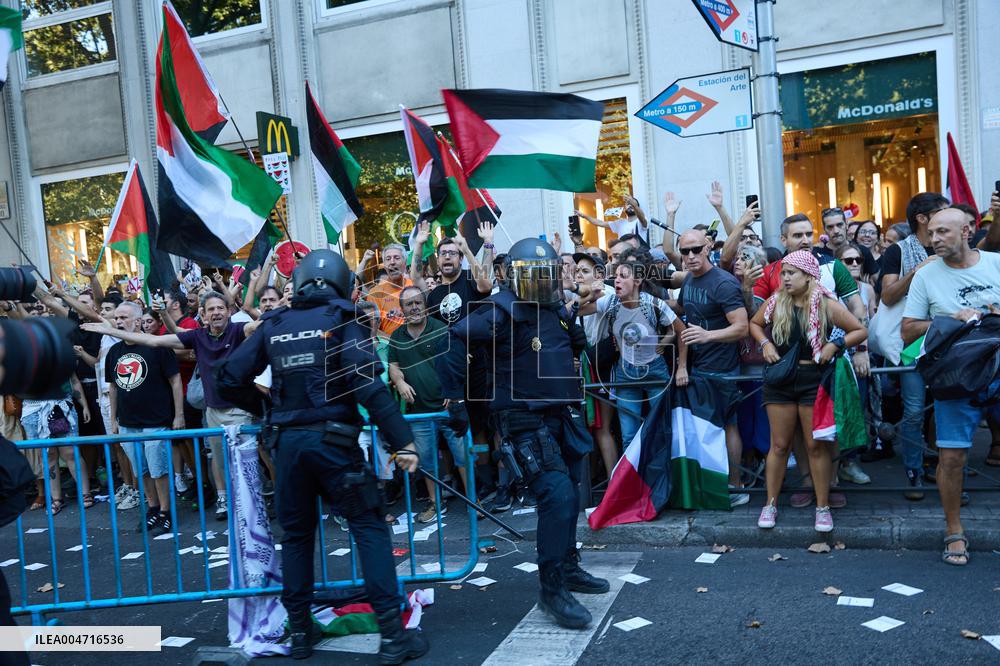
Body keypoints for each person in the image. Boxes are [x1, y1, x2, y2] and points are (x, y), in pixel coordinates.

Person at [215, 250, 428, 661]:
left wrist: (269, 410)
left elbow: (228, 377)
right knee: (368, 528)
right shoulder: (344, 320)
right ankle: (393, 638)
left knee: (296, 539)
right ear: (339, 281)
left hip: (288, 448)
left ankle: (300, 636)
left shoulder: (273, 324)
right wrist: (402, 441)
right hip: (333, 445)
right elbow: (369, 387)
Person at [439, 237, 609, 630]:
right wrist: (456, 400)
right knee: (557, 494)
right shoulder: (498, 311)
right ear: (514, 277)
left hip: (559, 414)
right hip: (522, 418)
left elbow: (572, 347)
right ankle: (551, 589)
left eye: (544, 274)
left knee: (572, 493)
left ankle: (567, 568)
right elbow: (456, 337)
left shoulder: (556, 310)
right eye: (530, 275)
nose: (538, 282)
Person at [83, 290, 258, 521]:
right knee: (219, 461)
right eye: (211, 309)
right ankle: (229, 503)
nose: (216, 313)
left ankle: (252, 508)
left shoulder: (238, 330)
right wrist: (109, 331)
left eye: (221, 308)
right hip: (213, 410)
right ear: (203, 315)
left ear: (229, 311)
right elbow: (153, 340)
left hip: (239, 411)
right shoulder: (198, 336)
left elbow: (256, 326)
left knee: (244, 463)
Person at [901, 207, 1000, 565]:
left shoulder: (994, 263)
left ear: (968, 231)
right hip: (955, 377)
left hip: (997, 369)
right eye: (931, 233)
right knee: (953, 457)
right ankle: (953, 530)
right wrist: (949, 319)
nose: (934, 238)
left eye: (943, 231)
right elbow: (908, 329)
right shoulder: (926, 275)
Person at [753, 213, 871, 509]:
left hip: (823, 371)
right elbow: (754, 318)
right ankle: (803, 485)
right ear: (784, 240)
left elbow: (858, 313)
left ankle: (828, 491)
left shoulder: (832, 271)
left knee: (822, 436)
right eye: (797, 235)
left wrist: (851, 347)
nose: (805, 239)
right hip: (783, 375)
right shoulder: (773, 281)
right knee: (787, 438)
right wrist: (765, 342)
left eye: (808, 233)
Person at [579, 259, 687, 459]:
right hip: (625, 373)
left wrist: (682, 367)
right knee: (629, 436)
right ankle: (635, 486)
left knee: (662, 431)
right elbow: (573, 310)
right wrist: (589, 296)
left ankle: (664, 484)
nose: (616, 280)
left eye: (623, 276)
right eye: (616, 276)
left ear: (637, 281)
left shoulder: (654, 304)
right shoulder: (609, 302)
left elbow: (681, 331)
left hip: (655, 370)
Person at [879, 192, 950, 498]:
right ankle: (913, 472)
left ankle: (946, 471)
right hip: (911, 343)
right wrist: (919, 270)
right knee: (914, 410)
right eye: (942, 212)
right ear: (922, 219)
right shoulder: (898, 251)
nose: (949, 219)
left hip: (949, 341)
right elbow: (888, 296)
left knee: (947, 407)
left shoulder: (952, 246)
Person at [675, 229, 750, 506]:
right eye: (685, 251)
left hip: (723, 369)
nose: (691, 256)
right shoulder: (690, 281)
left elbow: (742, 327)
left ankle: (736, 486)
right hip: (699, 368)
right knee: (707, 430)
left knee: (727, 426)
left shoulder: (723, 282)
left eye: (696, 249)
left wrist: (708, 336)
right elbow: (682, 310)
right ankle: (714, 485)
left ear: (708, 247)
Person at [388, 286, 467, 522]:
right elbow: (393, 366)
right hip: (419, 412)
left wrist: (453, 392)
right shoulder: (397, 336)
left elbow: (456, 361)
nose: (414, 308)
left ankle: (474, 501)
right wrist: (400, 383)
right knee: (427, 461)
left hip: (447, 409)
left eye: (418, 303)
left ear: (425, 305)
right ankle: (435, 504)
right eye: (409, 304)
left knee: (463, 456)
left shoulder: (441, 329)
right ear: (402, 309)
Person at [105, 301, 184, 536]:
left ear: (139, 320)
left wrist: (178, 414)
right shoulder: (114, 351)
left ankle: (166, 513)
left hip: (156, 421)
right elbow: (113, 388)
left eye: (124, 317)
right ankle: (152, 509)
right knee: (143, 471)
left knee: (159, 470)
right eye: (116, 318)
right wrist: (114, 419)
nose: (119, 322)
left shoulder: (158, 347)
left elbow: (175, 380)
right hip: (128, 423)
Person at [366, 243, 412, 339]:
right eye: (388, 259)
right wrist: (394, 343)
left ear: (405, 262)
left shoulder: (414, 286)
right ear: (384, 265)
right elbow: (372, 329)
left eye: (396, 258)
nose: (392, 262)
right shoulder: (375, 294)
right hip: (389, 347)